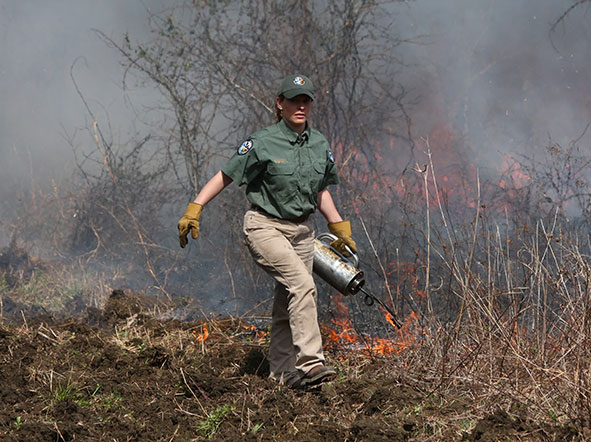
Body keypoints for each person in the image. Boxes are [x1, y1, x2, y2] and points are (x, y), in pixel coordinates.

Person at [177, 74, 357, 388]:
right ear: (279, 103)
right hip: (265, 227)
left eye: (306, 100)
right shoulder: (262, 142)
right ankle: (312, 365)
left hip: (302, 234)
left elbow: (321, 191)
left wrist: (339, 227)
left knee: (287, 302)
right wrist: (196, 207)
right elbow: (226, 175)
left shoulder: (319, 144)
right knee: (302, 286)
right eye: (293, 100)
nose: (301, 106)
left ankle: (281, 376)